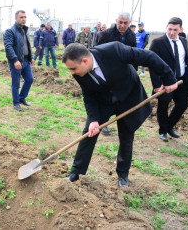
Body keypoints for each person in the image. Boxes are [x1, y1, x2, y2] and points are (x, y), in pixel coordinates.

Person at [62, 42, 177, 187]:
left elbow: (148, 56)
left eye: (73, 68)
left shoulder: (114, 50)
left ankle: (123, 175)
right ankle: (76, 172)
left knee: (126, 136)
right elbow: (88, 95)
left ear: (85, 61)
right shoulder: (79, 71)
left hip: (129, 98)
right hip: (104, 101)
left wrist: (168, 79)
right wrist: (93, 119)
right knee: (89, 133)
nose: (71, 72)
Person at [149, 17, 188, 142]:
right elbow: (151, 64)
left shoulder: (183, 41)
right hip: (165, 81)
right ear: (166, 28)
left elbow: (185, 61)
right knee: (163, 105)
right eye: (169, 29)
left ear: (181, 29)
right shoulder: (158, 42)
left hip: (181, 80)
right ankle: (163, 131)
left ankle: (169, 126)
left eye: (175, 30)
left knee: (182, 104)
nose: (172, 32)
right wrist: (157, 83)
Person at [95, 12, 137, 135]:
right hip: (109, 71)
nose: (122, 25)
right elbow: (97, 53)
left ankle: (123, 122)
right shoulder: (105, 34)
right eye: (120, 22)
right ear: (116, 21)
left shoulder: (131, 36)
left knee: (122, 97)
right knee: (107, 99)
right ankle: (103, 123)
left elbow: (134, 54)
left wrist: (134, 72)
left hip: (125, 72)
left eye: (125, 23)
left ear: (129, 23)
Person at [3, 10, 35, 112]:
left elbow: (27, 45)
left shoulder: (25, 30)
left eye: (25, 17)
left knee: (29, 79)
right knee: (16, 83)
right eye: (21, 17)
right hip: (16, 62)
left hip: (26, 61)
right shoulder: (10, 31)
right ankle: (16, 102)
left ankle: (22, 98)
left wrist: (31, 57)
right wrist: (15, 60)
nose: (23, 19)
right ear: (16, 18)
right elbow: (8, 47)